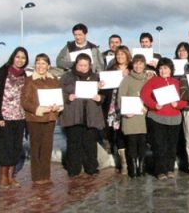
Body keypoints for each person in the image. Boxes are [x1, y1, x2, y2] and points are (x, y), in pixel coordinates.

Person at [140, 58, 187, 180]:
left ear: (171, 69)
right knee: (159, 145)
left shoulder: (176, 82)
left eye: (165, 68)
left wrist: (178, 104)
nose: (163, 70)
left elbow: (184, 99)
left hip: (174, 118)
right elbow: (144, 95)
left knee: (171, 145)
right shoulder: (153, 81)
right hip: (157, 117)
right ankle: (160, 170)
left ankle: (170, 168)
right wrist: (153, 105)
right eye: (160, 68)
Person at [60, 53, 104, 177]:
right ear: (76, 64)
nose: (83, 67)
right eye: (80, 65)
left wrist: (100, 97)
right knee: (74, 143)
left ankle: (91, 167)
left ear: (90, 65)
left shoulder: (96, 77)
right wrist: (67, 97)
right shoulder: (67, 77)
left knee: (90, 143)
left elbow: (105, 95)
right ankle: (74, 168)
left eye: (85, 65)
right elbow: (59, 92)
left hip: (91, 114)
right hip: (73, 114)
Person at [21, 53, 62, 185]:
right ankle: (37, 176)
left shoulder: (54, 80)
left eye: (43, 63)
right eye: (38, 63)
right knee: (36, 147)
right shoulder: (29, 80)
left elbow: (59, 97)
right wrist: (38, 109)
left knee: (47, 147)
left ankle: (46, 174)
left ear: (48, 66)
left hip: (50, 117)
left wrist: (58, 106)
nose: (40, 66)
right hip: (35, 118)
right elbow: (25, 101)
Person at [0, 47, 29, 188]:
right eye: (18, 57)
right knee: (4, 147)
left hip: (19, 117)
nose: (20, 60)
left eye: (23, 58)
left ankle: (11, 176)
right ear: (13, 57)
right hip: (5, 117)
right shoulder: (3, 72)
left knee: (16, 147)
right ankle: (3, 177)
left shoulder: (24, 75)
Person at [118, 54, 150, 178]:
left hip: (142, 116)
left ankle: (141, 167)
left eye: (141, 63)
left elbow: (150, 97)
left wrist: (147, 108)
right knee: (131, 143)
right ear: (133, 64)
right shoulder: (127, 79)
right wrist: (125, 111)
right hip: (130, 116)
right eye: (136, 63)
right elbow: (121, 97)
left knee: (142, 143)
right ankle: (132, 168)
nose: (138, 66)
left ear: (144, 65)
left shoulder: (146, 79)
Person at [101, 45, 132, 173]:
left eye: (122, 54)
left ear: (127, 56)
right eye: (118, 55)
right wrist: (101, 85)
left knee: (128, 131)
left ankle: (130, 159)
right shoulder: (110, 70)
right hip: (114, 104)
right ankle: (123, 162)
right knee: (118, 130)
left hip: (129, 103)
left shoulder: (132, 69)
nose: (120, 57)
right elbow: (104, 88)